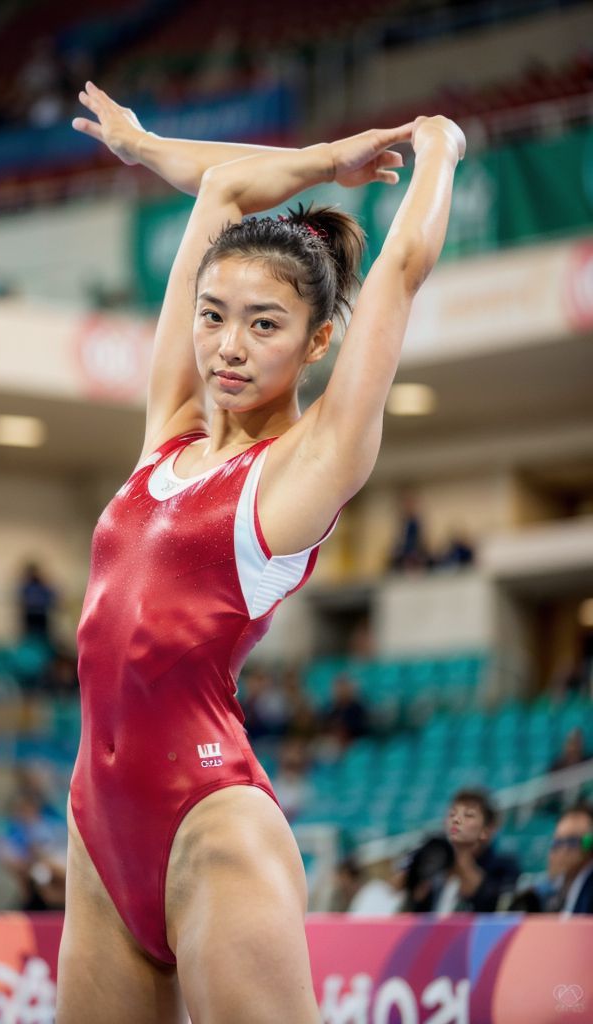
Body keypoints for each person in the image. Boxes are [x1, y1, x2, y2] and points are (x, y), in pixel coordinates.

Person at [58, 79, 464, 1024]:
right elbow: (223, 196)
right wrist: (154, 147)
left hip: (211, 823)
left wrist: (436, 145)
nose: (227, 348)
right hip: (96, 828)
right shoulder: (168, 430)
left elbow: (399, 268)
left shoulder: (305, 469)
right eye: (213, 315)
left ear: (320, 339)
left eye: (265, 324)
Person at [400, 788, 520, 913]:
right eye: (452, 814)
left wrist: (459, 854)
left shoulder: (504, 868)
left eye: (468, 815)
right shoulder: (435, 866)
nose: (456, 821)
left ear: (488, 828)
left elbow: (489, 900)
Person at [544, 802, 593, 914]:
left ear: (589, 845)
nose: (561, 850)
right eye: (557, 842)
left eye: (571, 841)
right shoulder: (555, 886)